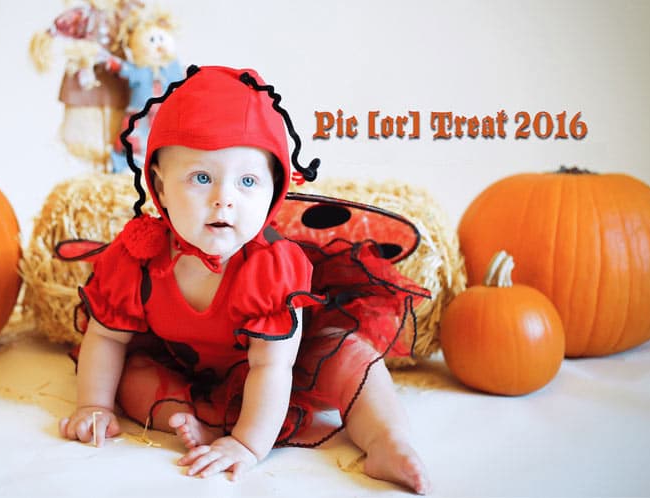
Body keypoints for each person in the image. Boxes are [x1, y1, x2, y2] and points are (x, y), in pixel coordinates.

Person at [56, 65, 432, 494]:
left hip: (283, 372)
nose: (224, 199)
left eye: (248, 181)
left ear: (274, 190)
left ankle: (387, 441)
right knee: (132, 375)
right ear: (158, 188)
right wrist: (93, 404)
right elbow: (106, 338)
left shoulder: (270, 266)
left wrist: (247, 446)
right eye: (201, 178)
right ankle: (186, 422)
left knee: (349, 357)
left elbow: (271, 365)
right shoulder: (138, 257)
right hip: (187, 366)